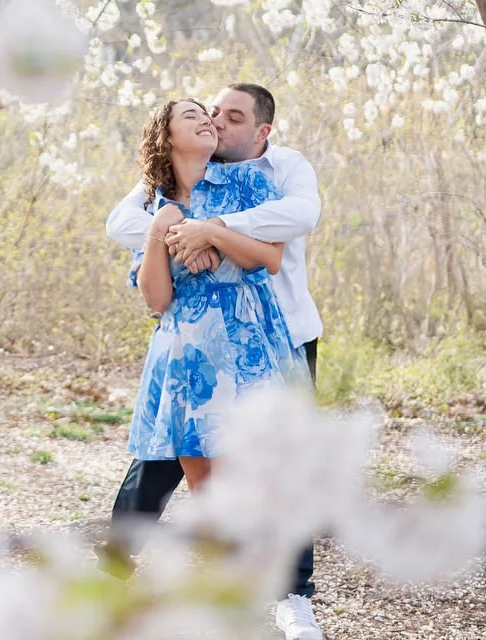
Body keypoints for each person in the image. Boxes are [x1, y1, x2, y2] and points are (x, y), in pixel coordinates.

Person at [106, 83, 326, 640]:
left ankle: (288, 596)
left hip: (261, 338)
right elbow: (154, 294)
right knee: (173, 478)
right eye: (202, 115)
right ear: (168, 135)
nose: (214, 122)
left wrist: (215, 233)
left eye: (228, 117)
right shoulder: (154, 198)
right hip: (185, 353)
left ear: (260, 130)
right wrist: (168, 230)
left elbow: (275, 252)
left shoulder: (267, 173)